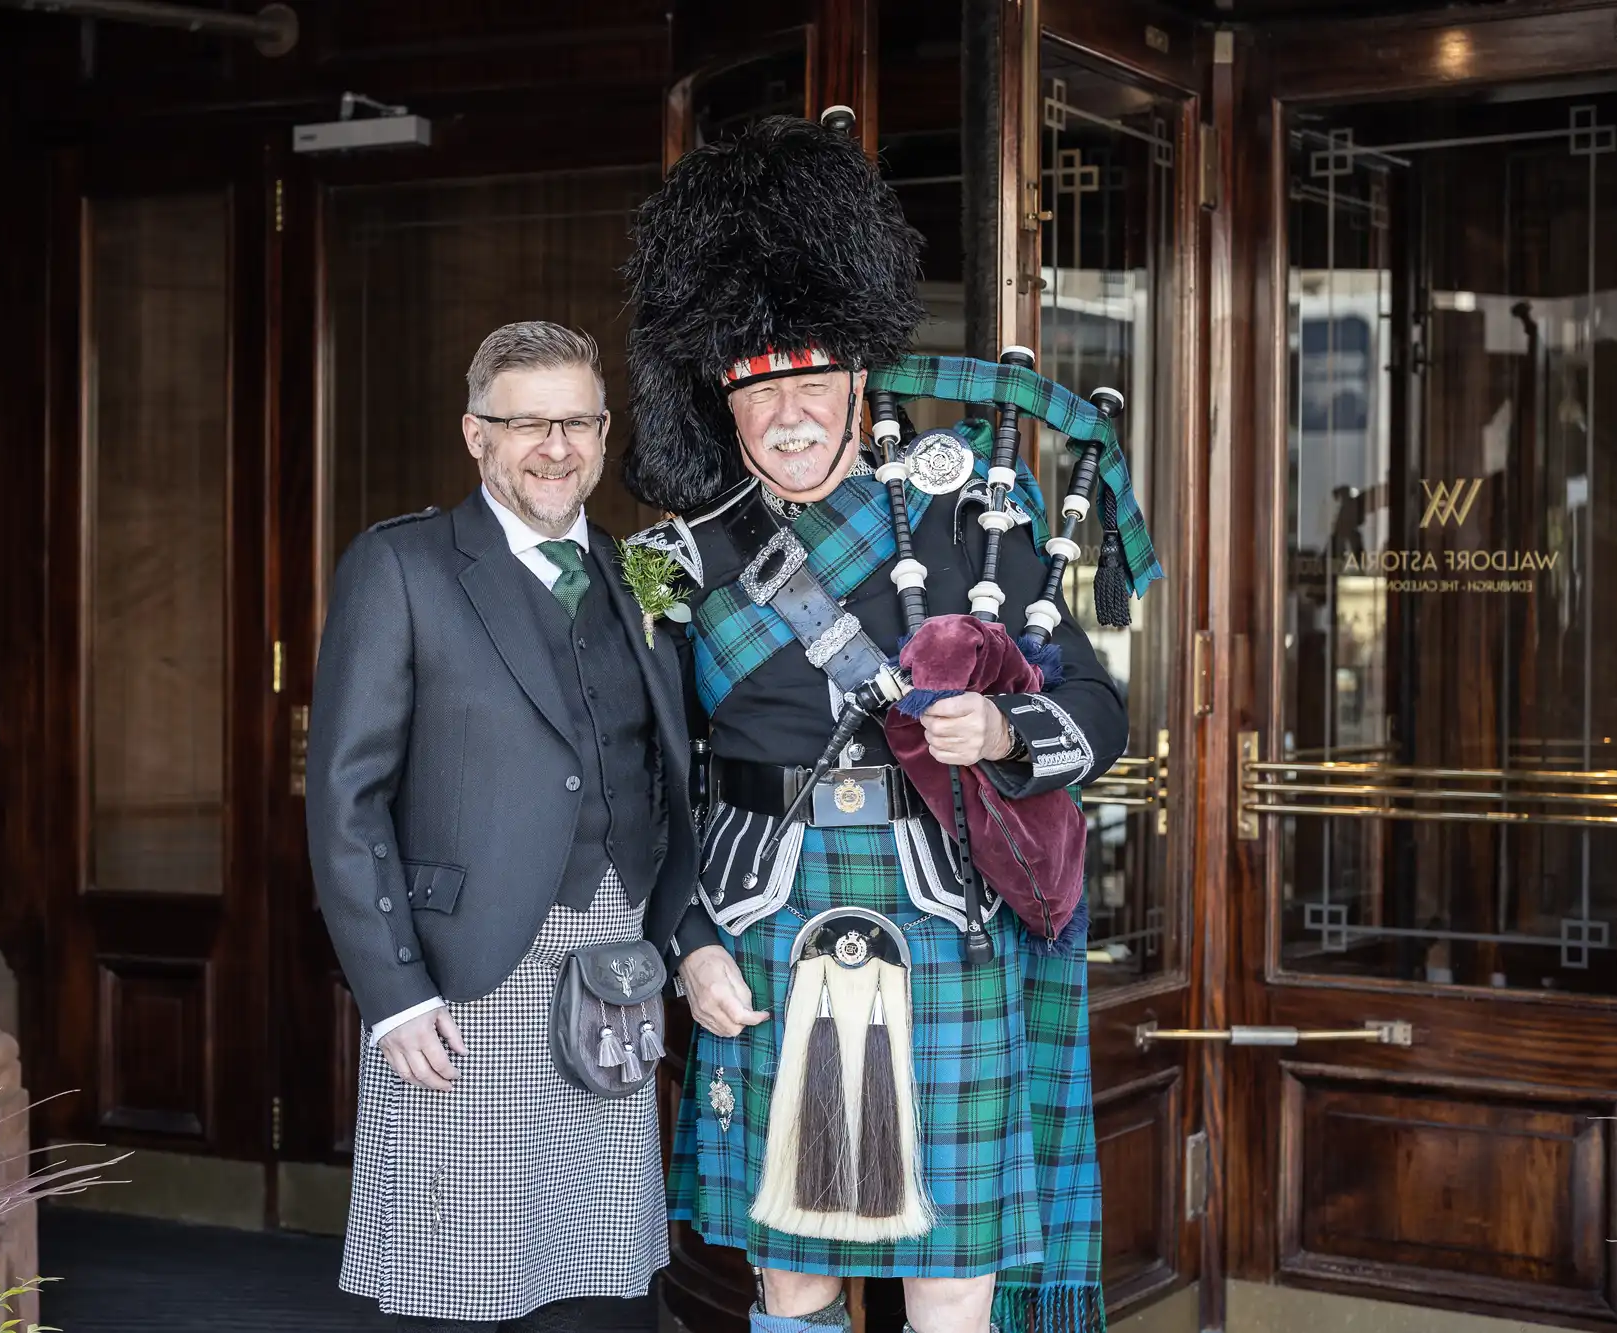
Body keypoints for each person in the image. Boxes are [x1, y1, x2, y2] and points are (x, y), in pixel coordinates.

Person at [621, 115, 1161, 1333]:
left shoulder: (970, 521)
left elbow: (1098, 706)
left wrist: (1008, 731)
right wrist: (687, 941)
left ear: (860, 377)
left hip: (939, 914)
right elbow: (643, 784)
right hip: (760, 919)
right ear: (723, 396)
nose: (791, 419)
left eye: (813, 385)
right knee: (794, 1275)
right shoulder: (669, 565)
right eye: (762, 395)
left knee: (950, 1275)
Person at [307, 321, 717, 1332]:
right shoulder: (400, 566)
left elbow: (673, 766)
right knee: (461, 1277)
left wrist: (674, 934)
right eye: (525, 422)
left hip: (614, 962)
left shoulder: (643, 575)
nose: (555, 444)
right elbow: (345, 793)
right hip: (461, 969)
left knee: (597, 1269)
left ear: (603, 429)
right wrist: (393, 995)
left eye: (576, 420)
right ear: (474, 436)